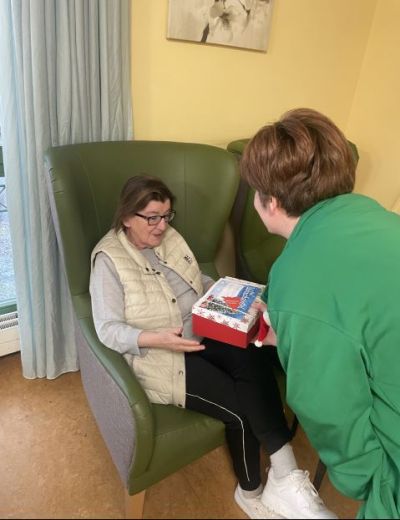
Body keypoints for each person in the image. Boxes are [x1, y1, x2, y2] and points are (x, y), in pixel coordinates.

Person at [89, 174, 335, 520]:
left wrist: (229, 295)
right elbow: (107, 330)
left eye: (167, 216)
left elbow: (196, 280)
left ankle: (286, 475)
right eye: (153, 218)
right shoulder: (109, 261)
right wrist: (157, 338)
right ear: (128, 217)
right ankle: (251, 492)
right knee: (239, 409)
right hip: (164, 354)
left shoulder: (170, 236)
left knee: (253, 357)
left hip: (206, 325)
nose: (162, 226)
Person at [240, 107, 400, 519]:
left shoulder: (298, 276)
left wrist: (379, 487)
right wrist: (295, 331)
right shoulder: (376, 217)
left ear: (271, 202)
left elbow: (333, 416)